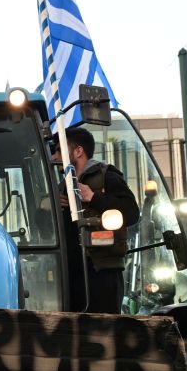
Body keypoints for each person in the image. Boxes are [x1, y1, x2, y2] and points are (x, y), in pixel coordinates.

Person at [52, 127, 140, 314]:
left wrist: (93, 198)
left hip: (101, 272)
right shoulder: (60, 186)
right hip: (68, 273)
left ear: (78, 151)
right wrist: (46, 209)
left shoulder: (106, 176)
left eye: (59, 150)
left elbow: (131, 213)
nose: (54, 157)